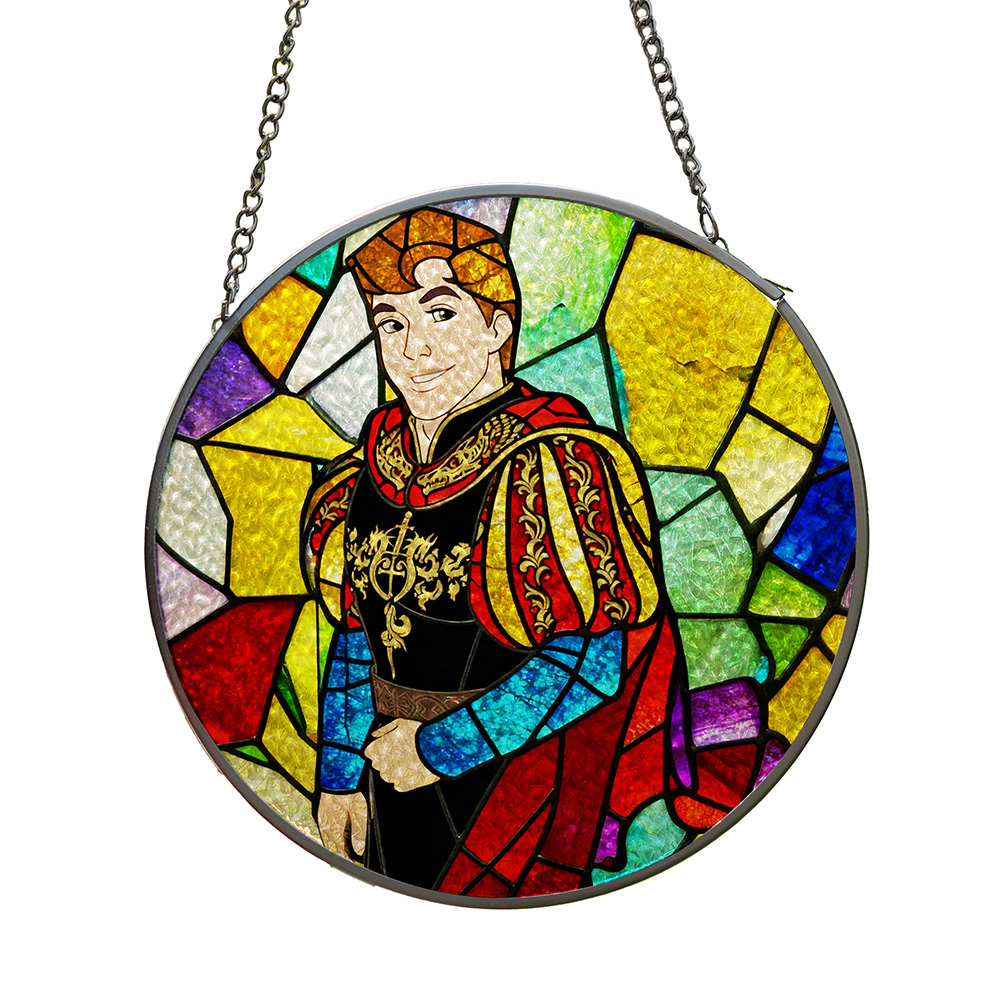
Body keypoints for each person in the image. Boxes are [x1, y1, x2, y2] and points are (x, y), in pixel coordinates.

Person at [301, 207, 691, 897]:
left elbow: (592, 661)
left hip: (513, 784)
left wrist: (439, 749)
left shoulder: (551, 460)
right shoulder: (372, 460)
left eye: (441, 314)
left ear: (497, 329)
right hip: (386, 774)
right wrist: (337, 775)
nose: (414, 349)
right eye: (391, 324)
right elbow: (359, 632)